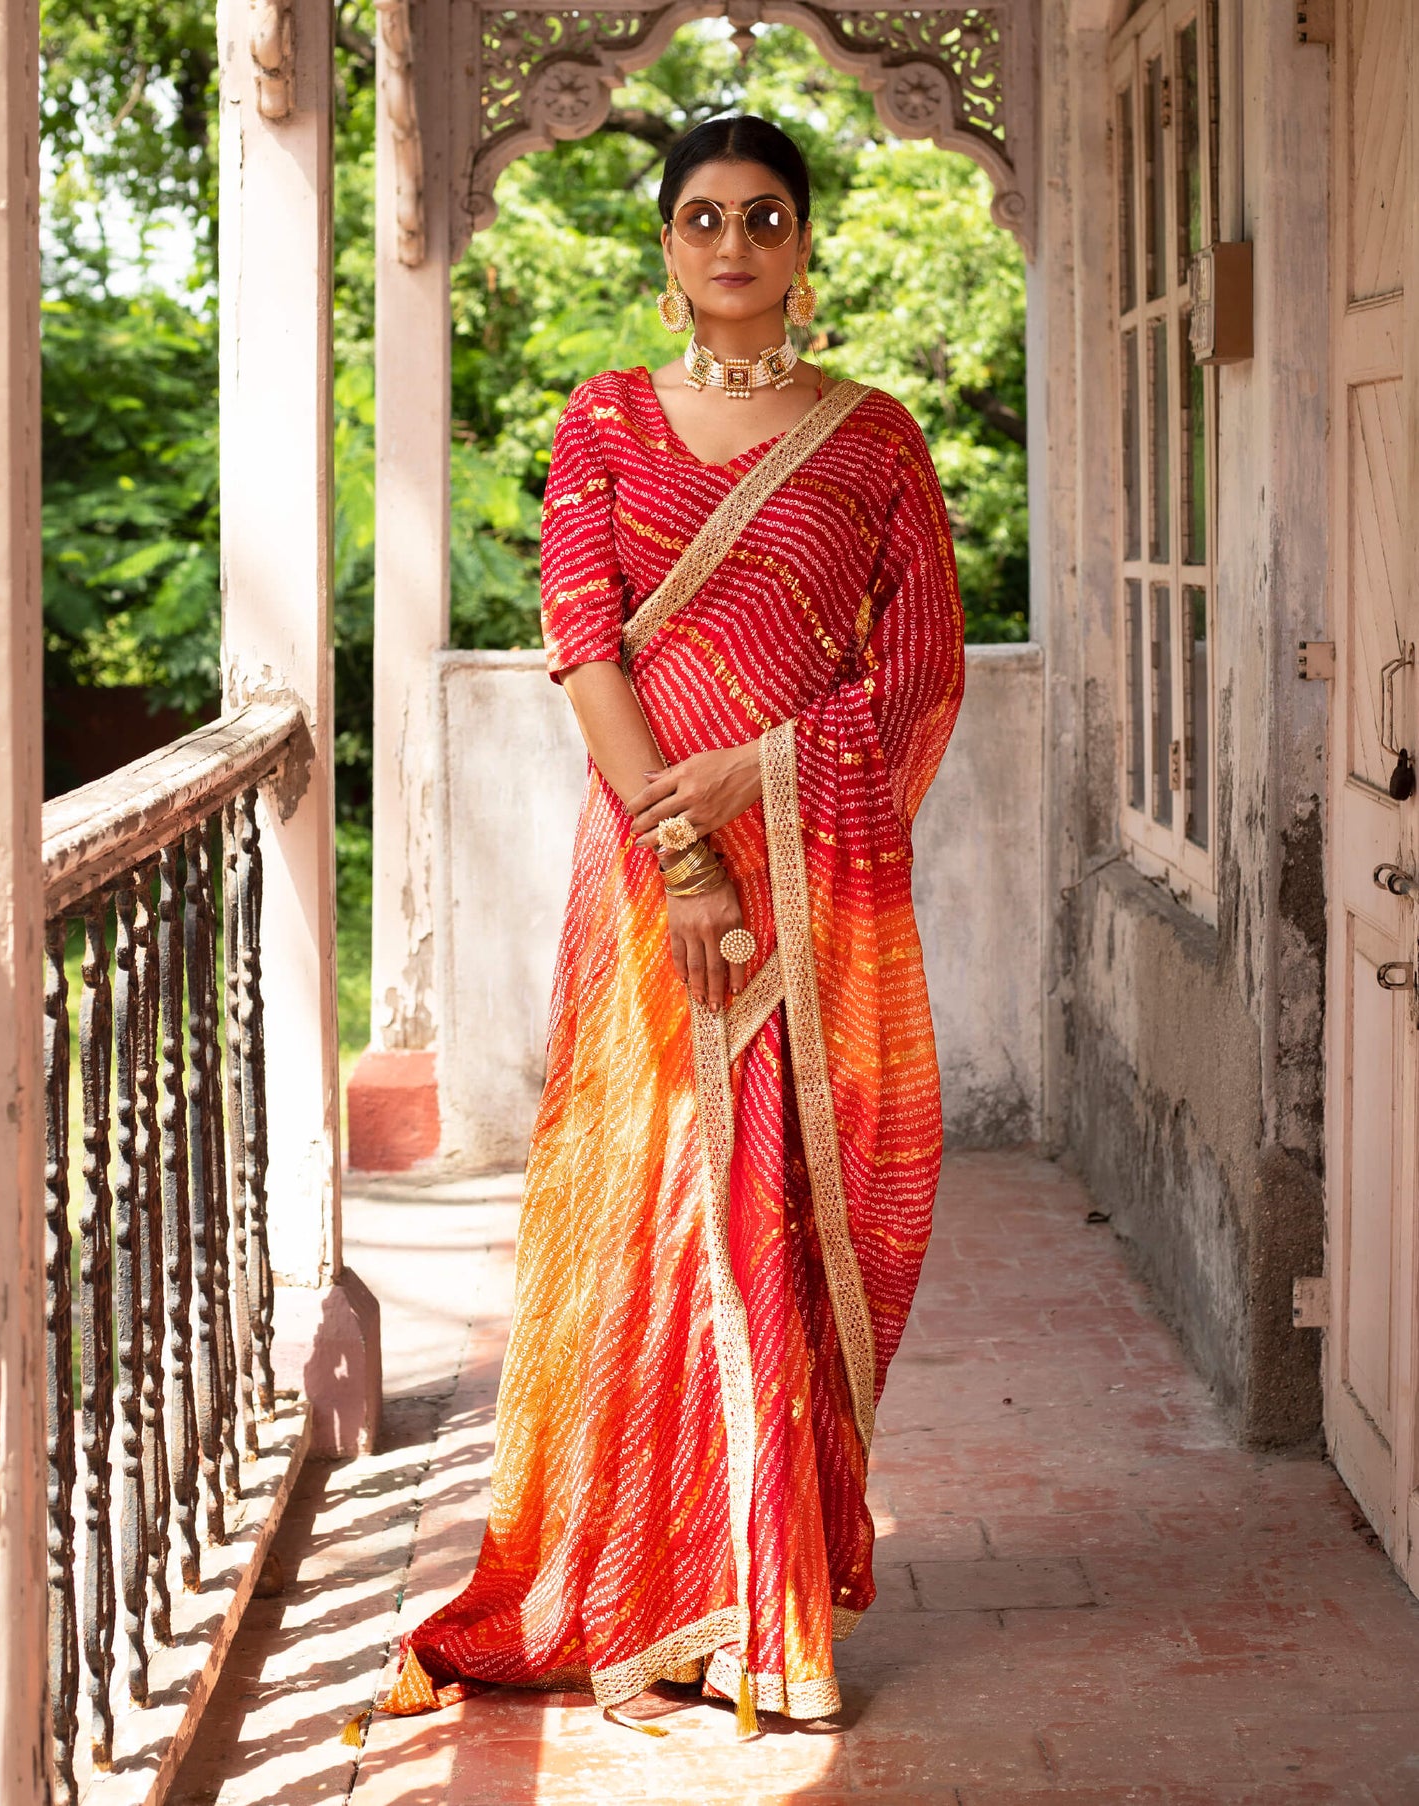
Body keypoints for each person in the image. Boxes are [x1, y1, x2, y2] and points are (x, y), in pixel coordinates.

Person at [380, 113, 965, 1740]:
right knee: (650, 1217)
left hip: (808, 878)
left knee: (775, 1217)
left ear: (801, 243)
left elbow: (911, 679)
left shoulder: (871, 442)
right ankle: (642, 1572)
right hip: (651, 892)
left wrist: (761, 783)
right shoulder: (607, 421)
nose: (730, 244)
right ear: (662, 247)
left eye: (762, 215)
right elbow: (583, 642)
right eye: (700, 217)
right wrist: (687, 851)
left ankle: (763, 1603)